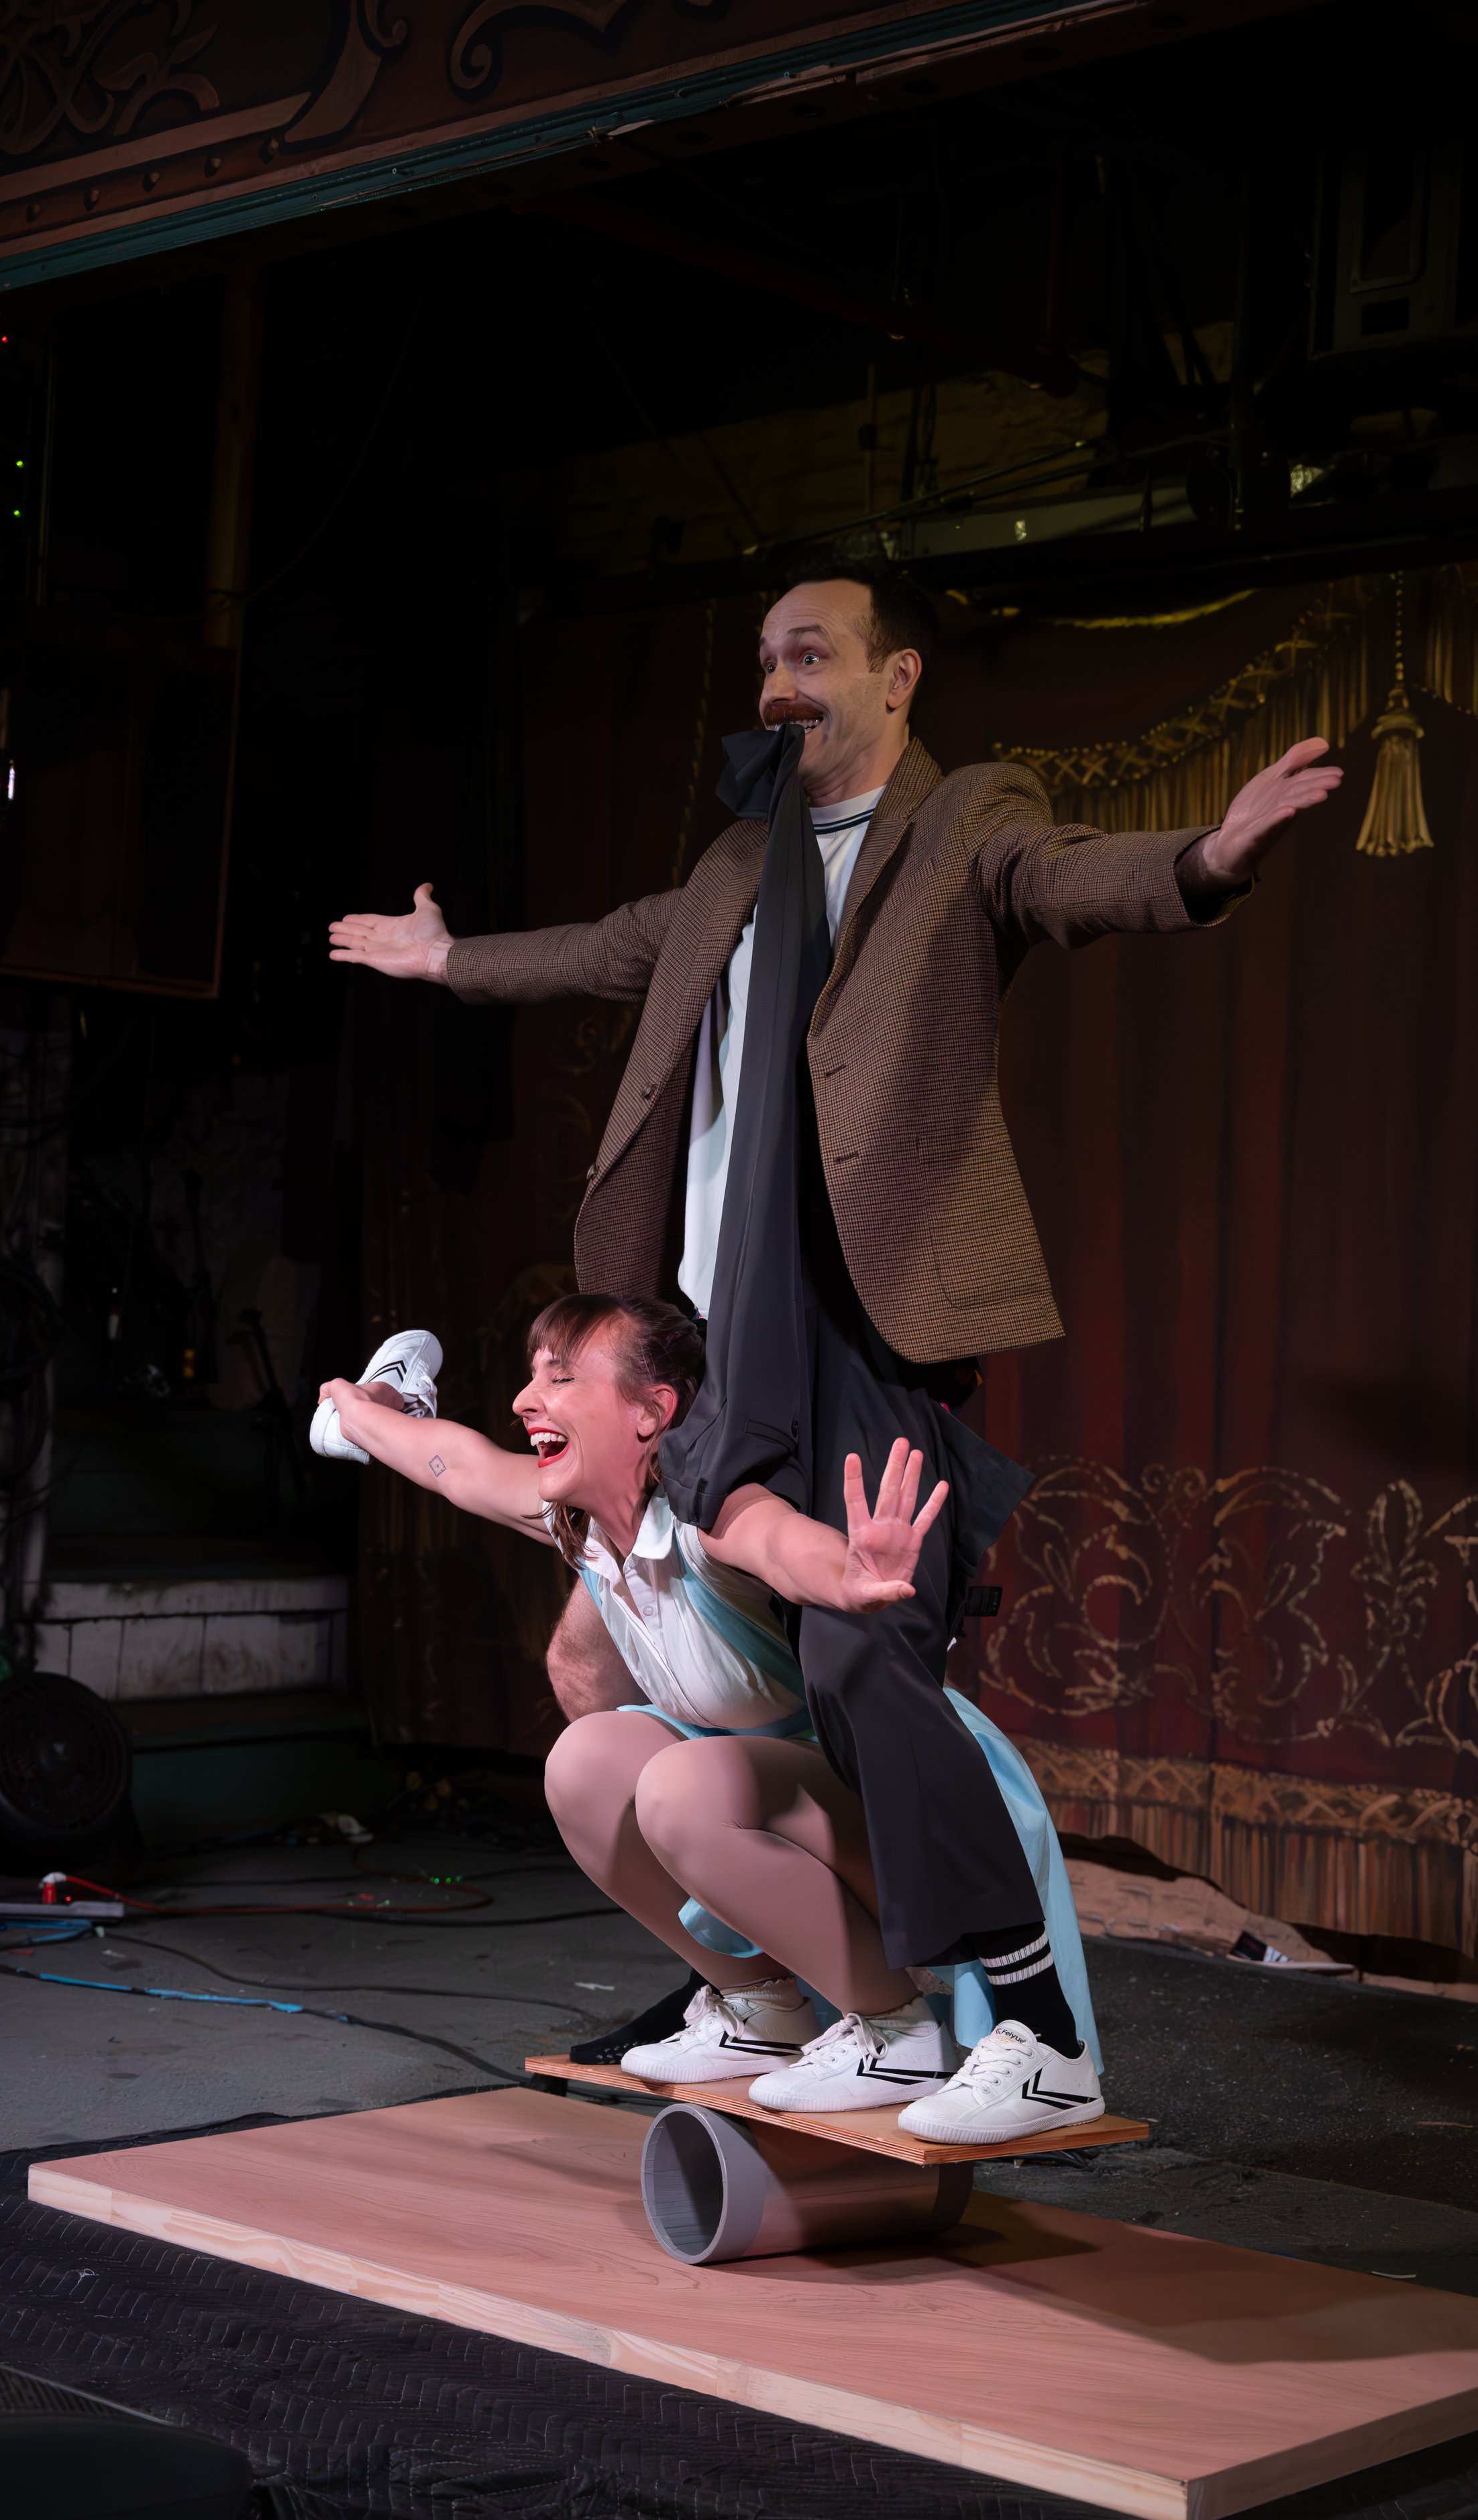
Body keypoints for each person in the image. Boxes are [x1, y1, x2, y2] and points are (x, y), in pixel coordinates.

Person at [329, 565, 1342, 2104]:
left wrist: (1204, 857)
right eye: (762, 658)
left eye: (812, 652)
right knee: (622, 1673)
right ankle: (772, 1995)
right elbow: (609, 943)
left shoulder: (962, 824)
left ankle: (1032, 2032)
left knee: (863, 1643)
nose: (778, 680)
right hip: (712, 1340)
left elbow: (1068, 877)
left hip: (859, 1328)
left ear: (901, 677)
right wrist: (450, 961)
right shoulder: (743, 861)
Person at [317, 1293, 1102, 2140]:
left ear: (654, 1411)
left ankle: (898, 2030)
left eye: (561, 1377)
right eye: (530, 1376)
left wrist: (847, 1572)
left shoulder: (708, 1509)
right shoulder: (577, 1522)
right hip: (762, 1803)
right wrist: (359, 1411)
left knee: (678, 1784)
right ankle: (765, 2004)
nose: (522, 1400)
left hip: (901, 1807)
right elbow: (456, 1460)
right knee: (585, 1763)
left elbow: (777, 1543)